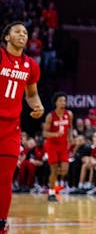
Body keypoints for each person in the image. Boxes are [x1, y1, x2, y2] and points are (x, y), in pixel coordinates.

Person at [0, 22, 44, 231]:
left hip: (11, 128)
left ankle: (1, 222)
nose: (23, 35)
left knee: (6, 177)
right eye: (17, 31)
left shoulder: (30, 65)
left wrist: (37, 105)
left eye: (25, 32)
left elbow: (32, 94)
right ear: (7, 37)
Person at [42, 92, 72, 201]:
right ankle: (51, 192)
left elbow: (70, 128)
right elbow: (44, 133)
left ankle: (52, 179)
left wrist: (71, 138)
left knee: (65, 170)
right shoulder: (50, 116)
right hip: (52, 145)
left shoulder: (69, 114)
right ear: (55, 103)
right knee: (54, 170)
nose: (63, 103)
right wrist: (55, 134)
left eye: (64, 100)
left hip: (63, 145)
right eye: (60, 100)